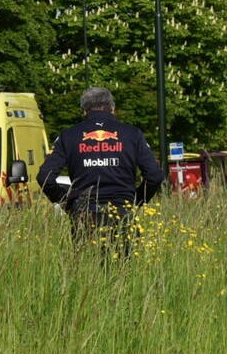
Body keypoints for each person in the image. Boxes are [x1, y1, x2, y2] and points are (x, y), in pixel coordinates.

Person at [37, 86, 163, 255]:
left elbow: (45, 177)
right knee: (122, 273)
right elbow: (154, 175)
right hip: (122, 211)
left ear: (83, 111)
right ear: (113, 109)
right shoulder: (132, 134)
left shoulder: (68, 135)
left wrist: (67, 203)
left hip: (84, 213)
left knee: (87, 272)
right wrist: (136, 201)